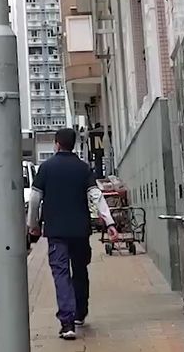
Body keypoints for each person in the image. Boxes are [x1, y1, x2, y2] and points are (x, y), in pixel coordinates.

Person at [27, 127, 119, 341]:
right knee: (80, 270)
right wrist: (110, 222)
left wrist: (33, 225)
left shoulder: (47, 168)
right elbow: (96, 197)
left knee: (60, 273)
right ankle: (80, 313)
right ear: (74, 144)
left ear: (56, 144)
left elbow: (34, 199)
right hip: (80, 231)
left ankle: (67, 323)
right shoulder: (83, 168)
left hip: (56, 232)